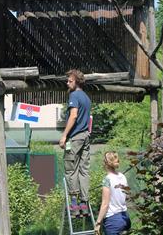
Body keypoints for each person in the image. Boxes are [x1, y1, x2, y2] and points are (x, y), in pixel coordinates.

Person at [59, 69, 91, 217]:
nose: (67, 83)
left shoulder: (74, 95)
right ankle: (84, 204)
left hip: (75, 137)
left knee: (70, 169)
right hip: (86, 137)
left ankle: (74, 205)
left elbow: (73, 116)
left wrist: (64, 136)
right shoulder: (86, 97)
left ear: (77, 81)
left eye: (70, 81)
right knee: (84, 170)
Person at [95, 151, 131, 235]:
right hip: (125, 217)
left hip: (113, 221)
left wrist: (98, 222)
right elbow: (127, 195)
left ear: (105, 163)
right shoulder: (122, 176)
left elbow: (105, 204)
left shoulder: (107, 179)